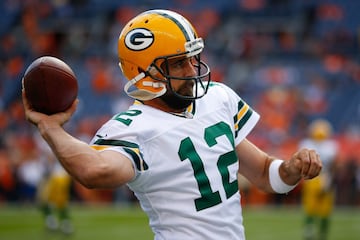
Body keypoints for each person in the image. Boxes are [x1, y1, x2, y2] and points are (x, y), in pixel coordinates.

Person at [22, 9, 322, 240]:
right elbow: (94, 170)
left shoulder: (217, 98)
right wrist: (51, 129)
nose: (192, 70)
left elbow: (264, 173)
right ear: (144, 73)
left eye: (193, 59)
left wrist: (290, 169)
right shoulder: (132, 127)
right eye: (178, 63)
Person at [299, 119, 338, 240]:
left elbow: (333, 166)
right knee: (310, 207)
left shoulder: (331, 146)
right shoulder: (306, 144)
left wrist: (330, 180)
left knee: (325, 209)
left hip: (324, 176)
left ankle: (321, 233)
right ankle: (310, 231)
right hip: (311, 178)